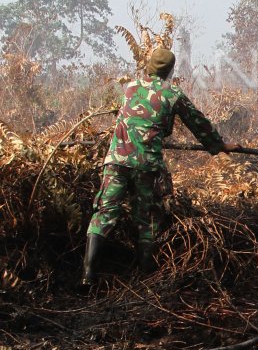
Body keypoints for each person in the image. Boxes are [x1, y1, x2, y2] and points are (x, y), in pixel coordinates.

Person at [82, 47, 231, 286]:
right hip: (146, 165)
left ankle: (87, 277)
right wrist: (219, 145)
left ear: (148, 66)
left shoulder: (129, 87)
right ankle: (144, 278)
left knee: (104, 214)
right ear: (170, 71)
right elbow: (198, 122)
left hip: (116, 161)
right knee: (148, 218)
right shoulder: (172, 93)